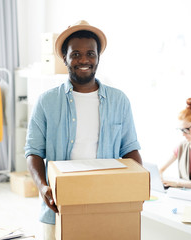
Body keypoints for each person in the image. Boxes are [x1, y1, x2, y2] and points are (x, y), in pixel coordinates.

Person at [24, 20, 142, 240]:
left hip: (107, 201)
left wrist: (139, 184)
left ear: (98, 57)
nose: (84, 60)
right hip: (59, 204)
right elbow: (33, 151)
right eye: (75, 54)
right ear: (65, 58)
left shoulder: (119, 100)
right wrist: (42, 187)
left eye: (90, 53)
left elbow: (130, 149)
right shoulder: (47, 102)